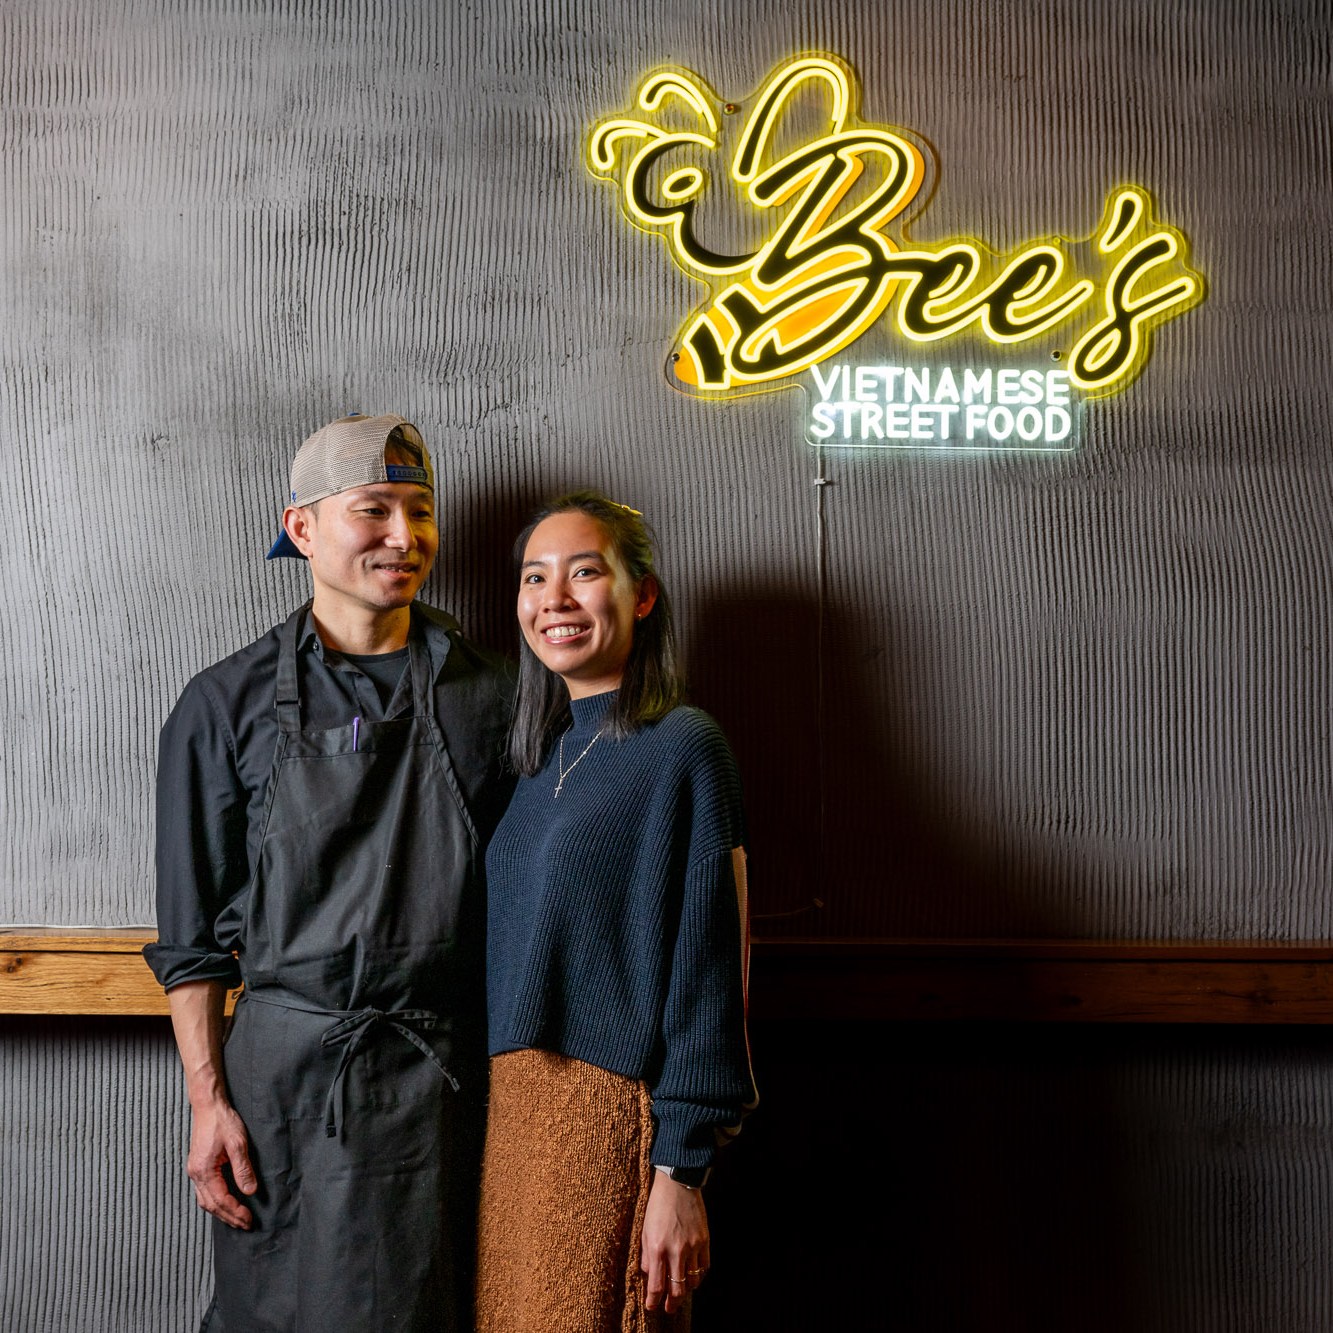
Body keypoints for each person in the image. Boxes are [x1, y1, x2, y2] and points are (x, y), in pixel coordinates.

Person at [144, 413, 512, 1333]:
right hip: (284, 1088)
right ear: (301, 527)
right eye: (374, 509)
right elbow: (190, 946)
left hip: (444, 1080)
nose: (405, 535)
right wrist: (208, 1104)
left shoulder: (494, 695)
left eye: (421, 511)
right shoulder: (221, 704)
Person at [476, 490, 757, 1332]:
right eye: (534, 577)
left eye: (583, 572)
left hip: (605, 1119)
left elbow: (710, 967)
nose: (553, 598)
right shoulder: (535, 759)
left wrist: (679, 1173)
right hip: (510, 1119)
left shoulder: (684, 746)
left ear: (640, 595)